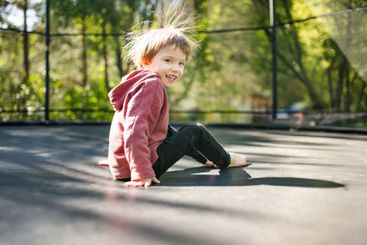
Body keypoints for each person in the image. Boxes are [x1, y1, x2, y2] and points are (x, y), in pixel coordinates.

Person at [99, 4, 248, 188]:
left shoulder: (138, 82)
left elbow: (161, 131)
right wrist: (140, 171)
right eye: (168, 60)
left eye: (181, 63)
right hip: (139, 168)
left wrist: (117, 160)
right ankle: (225, 160)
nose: (175, 69)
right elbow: (134, 129)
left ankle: (213, 157)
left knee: (170, 129)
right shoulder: (152, 84)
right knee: (196, 131)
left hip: (125, 167)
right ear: (147, 61)